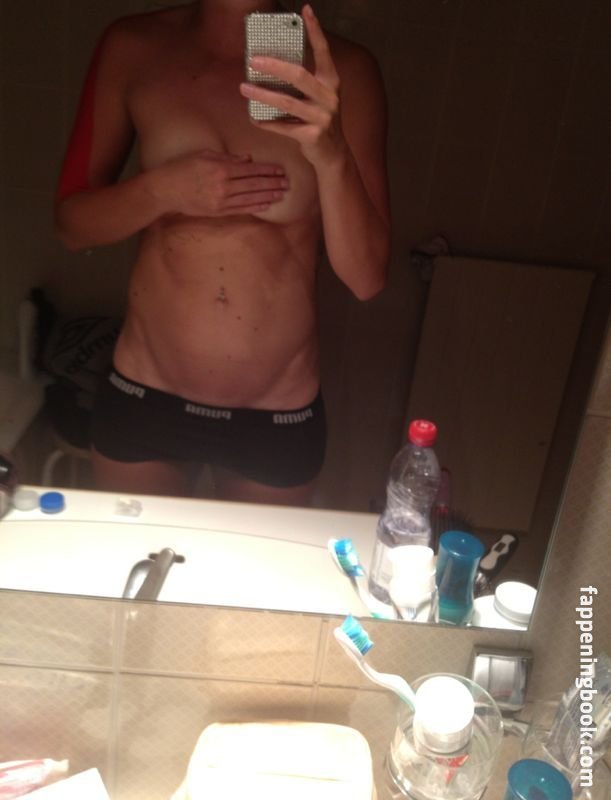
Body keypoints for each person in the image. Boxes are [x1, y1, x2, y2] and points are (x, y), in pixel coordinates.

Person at [54, 0, 390, 505]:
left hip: (276, 411)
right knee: (133, 558)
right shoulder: (134, 47)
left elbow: (367, 278)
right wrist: (163, 190)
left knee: (251, 564)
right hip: (145, 392)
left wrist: (331, 154)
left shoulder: (346, 71)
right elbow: (71, 227)